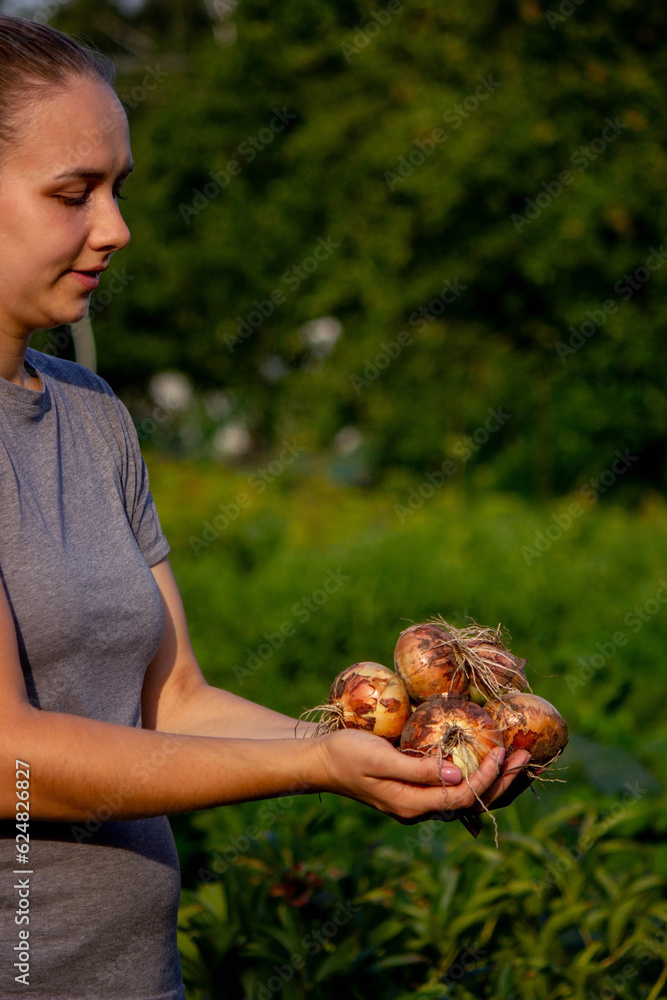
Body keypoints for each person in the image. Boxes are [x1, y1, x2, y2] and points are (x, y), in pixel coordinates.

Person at [0, 15, 531, 999]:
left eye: (119, 189)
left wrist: (383, 755)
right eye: (74, 193)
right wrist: (318, 767)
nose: (115, 228)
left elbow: (174, 698)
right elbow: (11, 760)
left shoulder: (90, 411)